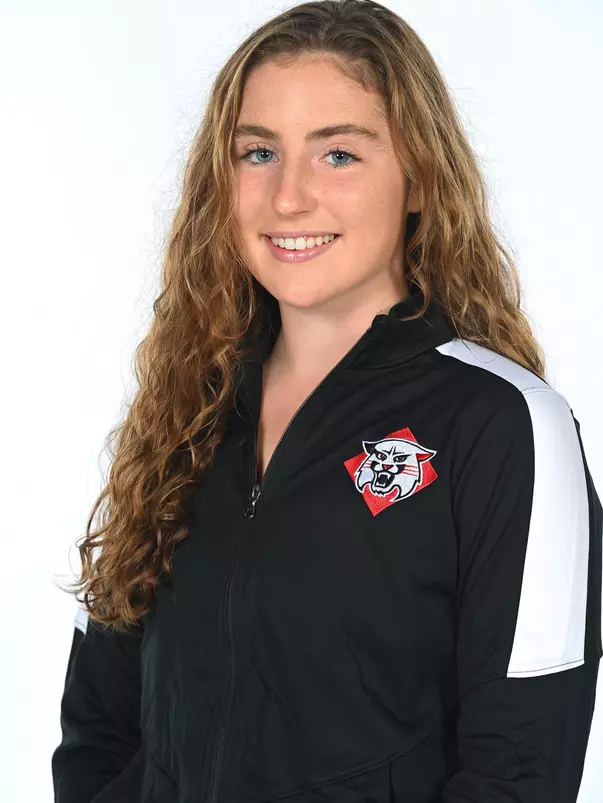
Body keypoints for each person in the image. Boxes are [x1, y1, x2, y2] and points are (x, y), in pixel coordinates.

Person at [51, 1, 602, 801]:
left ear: (418, 179)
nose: (287, 198)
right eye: (257, 153)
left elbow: (518, 772)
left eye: (338, 154)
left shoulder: (504, 426)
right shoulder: (182, 413)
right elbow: (97, 733)